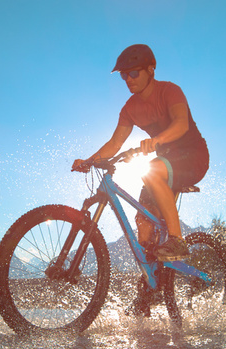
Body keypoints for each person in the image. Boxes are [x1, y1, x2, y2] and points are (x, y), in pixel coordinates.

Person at [73, 44, 209, 262]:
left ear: (151, 69)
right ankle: (150, 287)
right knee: (144, 223)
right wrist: (89, 161)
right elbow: (115, 143)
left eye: (134, 73)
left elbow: (181, 125)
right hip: (165, 162)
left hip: (193, 157)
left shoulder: (169, 91)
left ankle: (177, 240)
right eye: (124, 75)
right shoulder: (129, 109)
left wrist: (156, 141)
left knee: (152, 170)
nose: (128, 79)